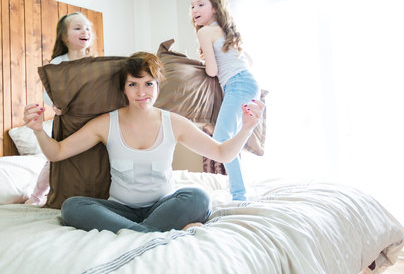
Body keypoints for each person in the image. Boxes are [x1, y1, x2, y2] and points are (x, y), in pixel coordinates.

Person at [23, 52, 264, 233]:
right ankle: (150, 233)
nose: (142, 92)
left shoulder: (174, 123)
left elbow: (222, 154)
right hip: (119, 209)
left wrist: (246, 128)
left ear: (158, 86)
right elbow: (57, 152)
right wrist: (37, 131)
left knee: (199, 197)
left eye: (149, 83)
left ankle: (137, 232)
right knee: (72, 207)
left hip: (163, 205)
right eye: (133, 85)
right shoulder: (106, 123)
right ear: (124, 89)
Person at [190, 0, 260, 201]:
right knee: (229, 141)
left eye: (201, 4)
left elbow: (211, 71)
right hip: (248, 83)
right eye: (192, 6)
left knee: (221, 139)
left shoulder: (205, 32)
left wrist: (200, 65)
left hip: (238, 85)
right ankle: (240, 190)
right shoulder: (225, 30)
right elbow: (249, 61)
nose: (194, 9)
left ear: (215, 8)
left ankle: (239, 195)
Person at [25, 12, 94, 206]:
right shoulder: (58, 63)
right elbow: (48, 92)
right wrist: (56, 105)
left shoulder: (95, 63)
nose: (85, 31)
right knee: (55, 161)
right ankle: (36, 196)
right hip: (67, 120)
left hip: (92, 121)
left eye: (88, 28)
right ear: (64, 37)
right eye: (78, 28)